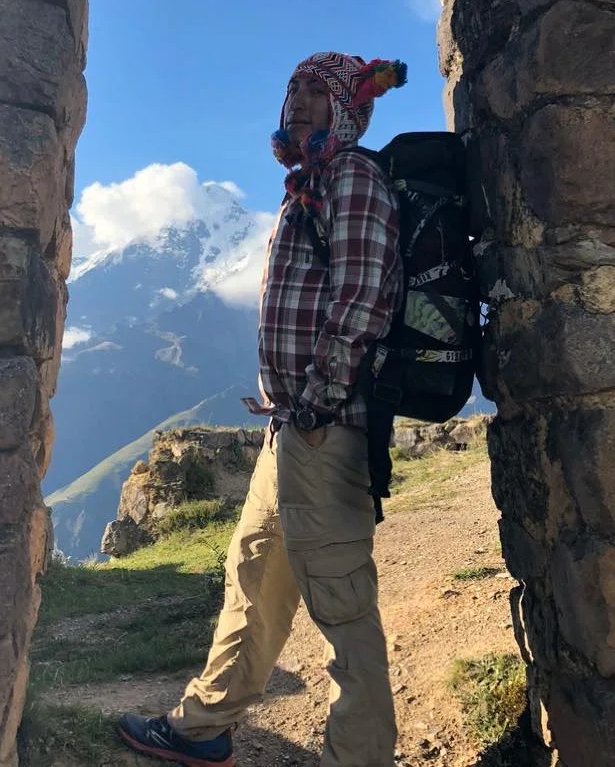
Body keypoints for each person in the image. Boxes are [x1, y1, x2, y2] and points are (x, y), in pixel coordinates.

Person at [118, 51, 406, 767]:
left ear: (348, 108)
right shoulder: (303, 185)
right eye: (295, 90)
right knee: (252, 578)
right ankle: (203, 726)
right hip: (291, 428)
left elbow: (364, 297)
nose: (301, 102)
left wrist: (318, 401)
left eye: (318, 92)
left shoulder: (355, 179)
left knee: (341, 607)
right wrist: (294, 411)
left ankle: (362, 757)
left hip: (325, 429)